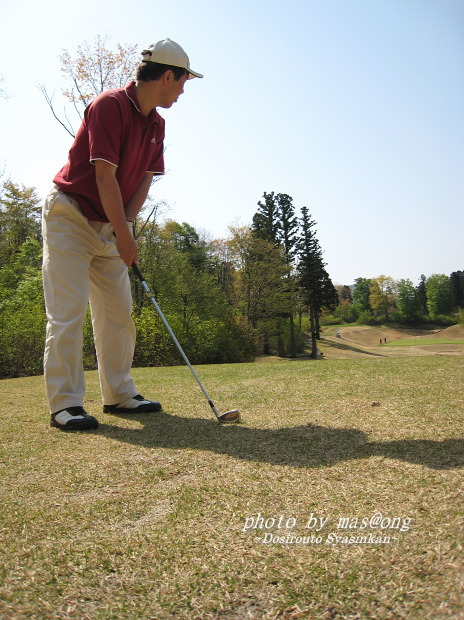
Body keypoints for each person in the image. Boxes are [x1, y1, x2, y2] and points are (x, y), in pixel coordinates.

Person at [42, 39, 203, 431]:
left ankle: (118, 393)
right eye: (183, 80)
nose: (184, 89)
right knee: (68, 313)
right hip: (71, 216)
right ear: (167, 75)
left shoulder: (157, 124)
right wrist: (123, 234)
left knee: (118, 313)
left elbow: (146, 179)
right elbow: (103, 175)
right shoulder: (109, 106)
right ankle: (65, 404)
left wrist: (125, 228)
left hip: (111, 224)